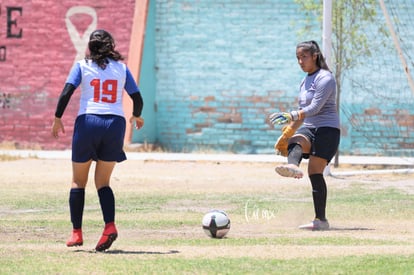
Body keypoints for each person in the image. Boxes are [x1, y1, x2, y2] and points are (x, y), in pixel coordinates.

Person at [51, 29, 144, 251]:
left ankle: (76, 233)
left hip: (88, 121)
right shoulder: (121, 68)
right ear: (111, 46)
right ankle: (109, 226)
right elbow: (137, 97)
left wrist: (57, 118)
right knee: (103, 183)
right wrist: (137, 115)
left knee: (78, 182)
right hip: (115, 124)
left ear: (90, 47)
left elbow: (66, 92)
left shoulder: (82, 66)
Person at [269, 40, 340, 231]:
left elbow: (315, 108)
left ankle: (320, 221)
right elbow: (303, 112)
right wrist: (287, 132)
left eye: (304, 57)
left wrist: (291, 114)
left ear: (315, 56)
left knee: (315, 173)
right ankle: (292, 165)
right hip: (309, 127)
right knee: (295, 140)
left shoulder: (326, 78)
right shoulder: (304, 80)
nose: (300, 61)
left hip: (328, 130)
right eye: (298, 58)